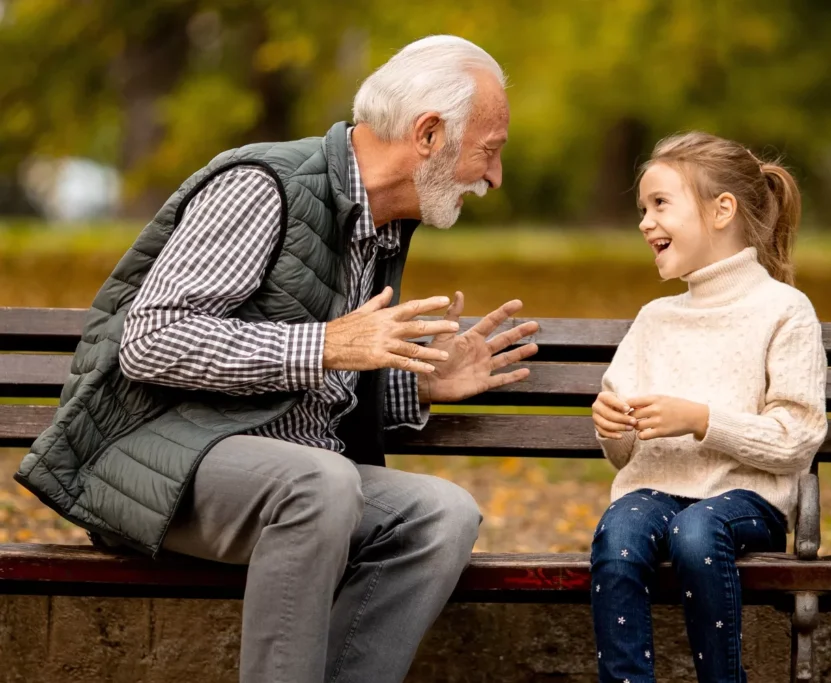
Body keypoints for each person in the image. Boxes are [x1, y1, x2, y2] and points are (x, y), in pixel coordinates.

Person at [16, 36, 539, 683]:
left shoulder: (376, 225)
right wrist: (325, 342)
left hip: (285, 480)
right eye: (489, 151)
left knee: (442, 515)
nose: (493, 177)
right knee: (321, 481)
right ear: (428, 134)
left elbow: (312, 388)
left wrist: (424, 386)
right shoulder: (263, 186)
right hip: (159, 463)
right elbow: (151, 339)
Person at [588, 131, 828, 683]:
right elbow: (624, 455)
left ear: (722, 210)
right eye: (642, 208)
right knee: (618, 534)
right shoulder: (655, 318)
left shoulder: (784, 311)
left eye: (660, 204)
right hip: (655, 490)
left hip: (747, 500)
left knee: (697, 532)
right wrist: (612, 428)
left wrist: (702, 421)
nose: (645, 222)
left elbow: (796, 438)